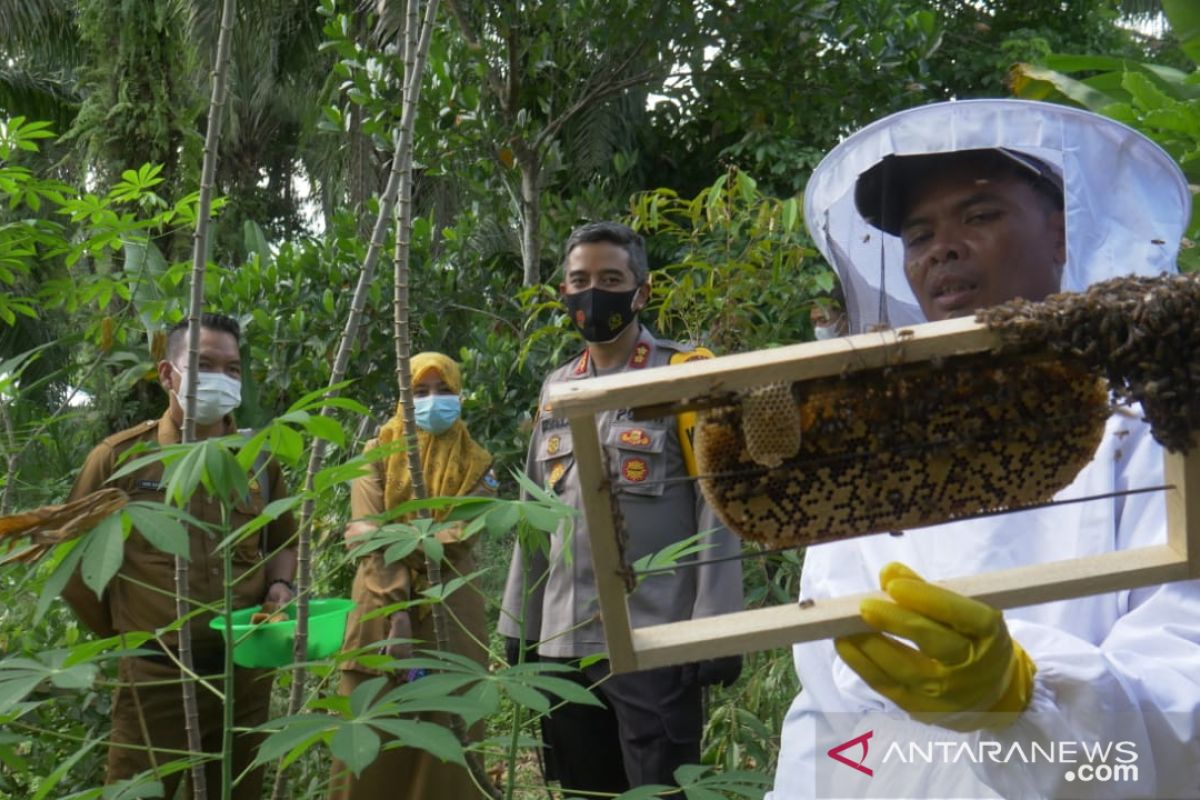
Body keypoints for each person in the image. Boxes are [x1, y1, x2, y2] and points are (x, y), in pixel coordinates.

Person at [770, 99, 1200, 798]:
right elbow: (829, 702)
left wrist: (1023, 698)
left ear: (1061, 233)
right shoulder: (873, 450)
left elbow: (1187, 679)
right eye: (918, 233)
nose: (942, 247)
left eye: (981, 215)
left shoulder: (1150, 429)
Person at [499, 221, 745, 793]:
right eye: (579, 279)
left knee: (661, 789)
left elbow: (719, 504)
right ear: (563, 291)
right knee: (582, 788)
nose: (592, 293)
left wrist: (718, 626)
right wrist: (518, 624)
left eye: (610, 278)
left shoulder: (685, 374)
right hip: (563, 639)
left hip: (653, 639)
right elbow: (531, 509)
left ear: (642, 290)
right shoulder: (556, 388)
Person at [62, 313, 298, 799]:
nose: (222, 379)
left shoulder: (258, 456)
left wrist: (281, 588)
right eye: (205, 365)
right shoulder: (120, 460)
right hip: (156, 676)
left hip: (244, 675)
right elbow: (74, 567)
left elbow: (283, 542)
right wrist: (127, 633)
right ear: (168, 374)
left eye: (233, 369)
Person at [329, 352, 497, 800]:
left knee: (447, 762)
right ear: (403, 399)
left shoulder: (479, 465)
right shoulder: (376, 452)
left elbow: (459, 537)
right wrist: (398, 613)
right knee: (368, 759)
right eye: (419, 392)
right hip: (378, 618)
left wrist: (387, 532)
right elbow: (366, 542)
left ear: (460, 395)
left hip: (452, 616)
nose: (432, 401)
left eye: (443, 391)